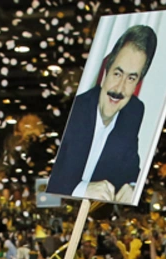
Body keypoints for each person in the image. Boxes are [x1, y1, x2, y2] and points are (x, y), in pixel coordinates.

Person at [48, 24, 157, 203]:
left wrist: (131, 186)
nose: (120, 88)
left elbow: (129, 168)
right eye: (117, 73)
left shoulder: (133, 111)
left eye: (131, 78)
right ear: (105, 71)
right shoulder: (75, 109)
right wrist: (83, 189)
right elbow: (47, 178)